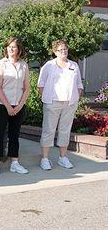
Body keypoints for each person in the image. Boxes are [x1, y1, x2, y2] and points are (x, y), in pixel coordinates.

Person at [37, 40, 83, 170]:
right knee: (48, 130)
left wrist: (76, 97)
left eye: (65, 49)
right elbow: (41, 84)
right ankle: (45, 159)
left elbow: (79, 84)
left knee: (65, 130)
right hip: (52, 103)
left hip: (69, 103)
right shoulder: (49, 65)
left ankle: (63, 158)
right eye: (60, 50)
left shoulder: (74, 65)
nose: (63, 52)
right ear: (55, 51)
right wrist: (46, 98)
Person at [0, 37, 30, 176]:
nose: (11, 49)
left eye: (13, 47)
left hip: (18, 104)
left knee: (15, 134)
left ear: (19, 49)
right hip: (1, 105)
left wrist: (19, 105)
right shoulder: (2, 64)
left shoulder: (23, 65)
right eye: (9, 46)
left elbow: (27, 88)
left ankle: (15, 163)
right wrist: (8, 106)